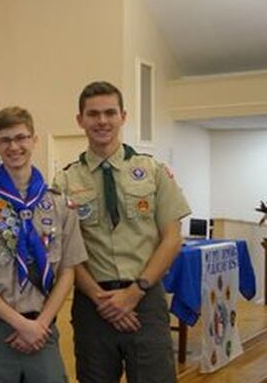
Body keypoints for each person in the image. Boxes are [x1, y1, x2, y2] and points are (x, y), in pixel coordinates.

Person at [53, 81, 191, 383]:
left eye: (110, 113)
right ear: (80, 120)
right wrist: (101, 299)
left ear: (123, 117)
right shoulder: (64, 181)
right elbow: (64, 250)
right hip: (93, 305)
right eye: (93, 114)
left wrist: (134, 292)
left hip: (145, 298)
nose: (102, 121)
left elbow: (171, 239)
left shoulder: (153, 171)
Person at [0, 106, 87, 382]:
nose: (14, 147)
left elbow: (68, 271)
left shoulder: (59, 203)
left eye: (21, 138)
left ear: (34, 140)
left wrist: (40, 324)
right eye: (5, 140)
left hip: (43, 323)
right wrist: (19, 323)